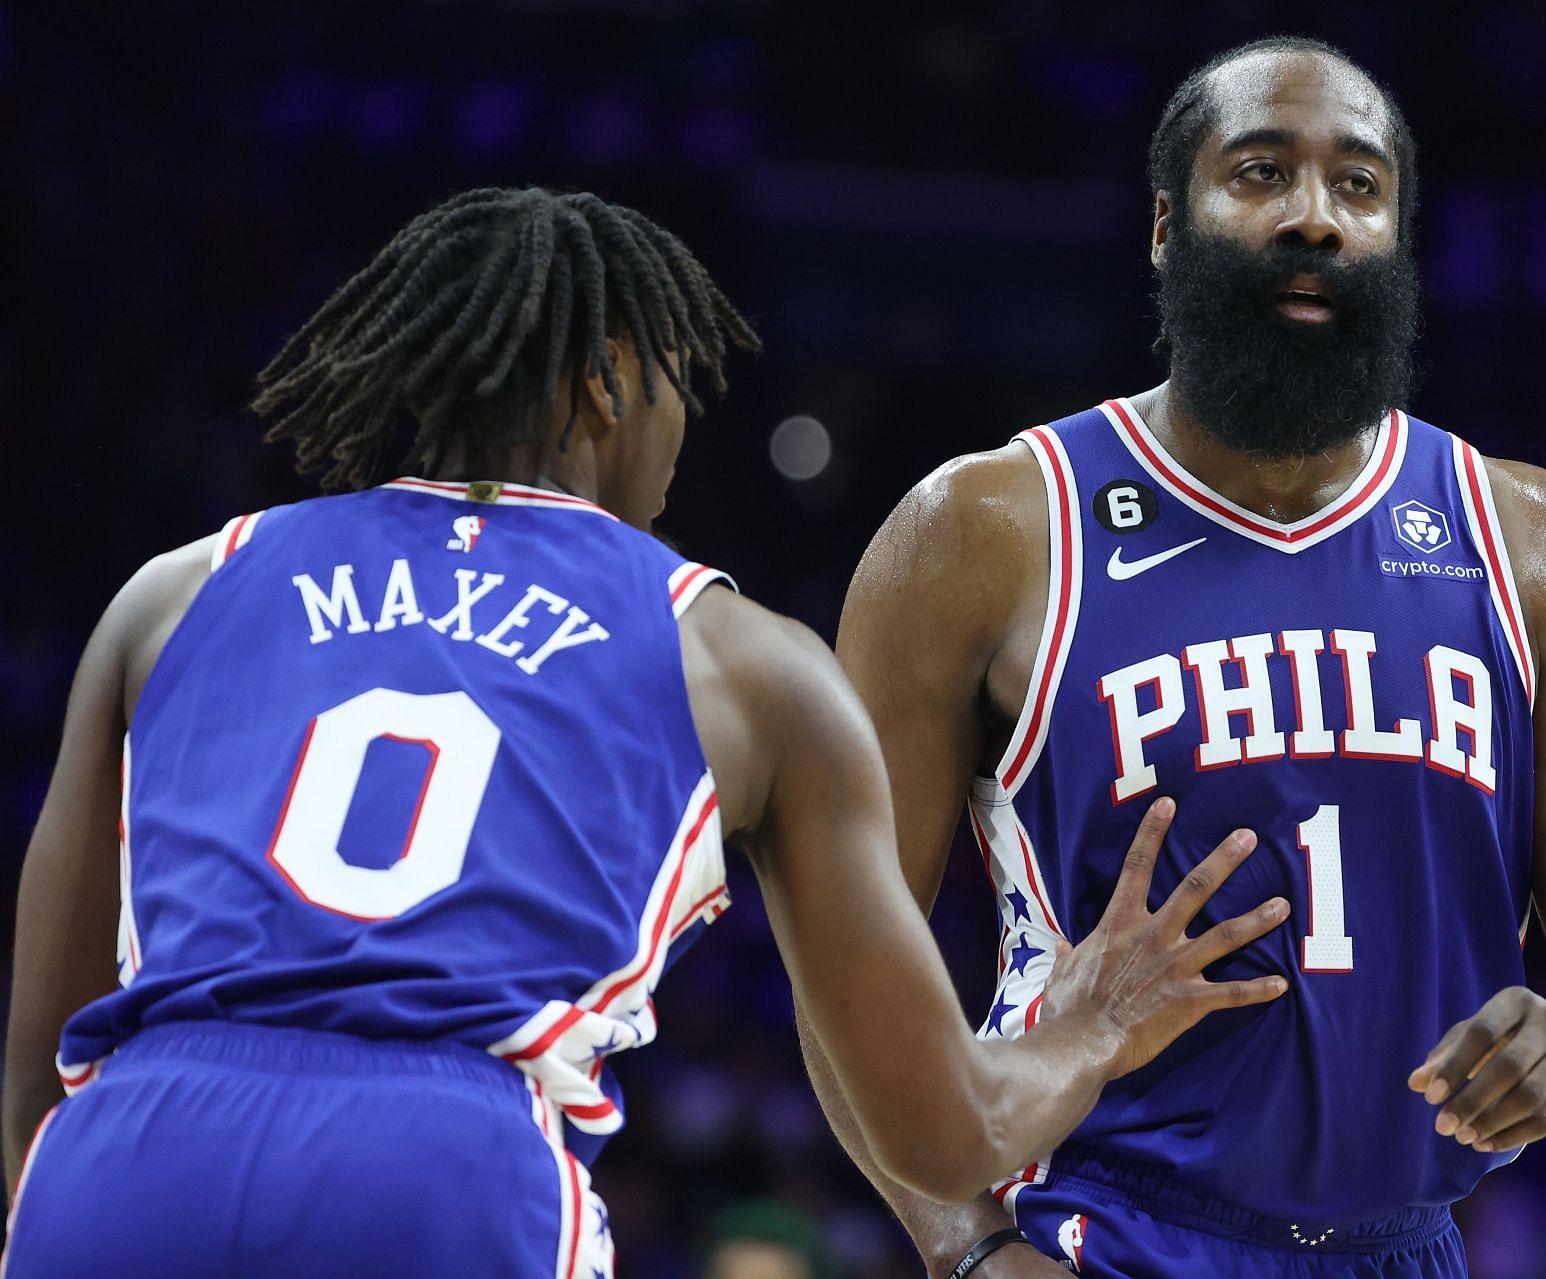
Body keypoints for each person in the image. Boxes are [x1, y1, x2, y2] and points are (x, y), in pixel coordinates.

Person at [0, 187, 1292, 1277]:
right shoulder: (739, 657)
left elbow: (38, 1056)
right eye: (680, 378)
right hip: (444, 1160)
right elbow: (944, 1134)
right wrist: (1091, 1023)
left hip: (119, 1150)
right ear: (609, 384)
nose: (683, 426)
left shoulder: (177, 589)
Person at [800, 36, 1546, 1279]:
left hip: (1410, 1244)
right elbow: (845, 956)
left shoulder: (1530, 539)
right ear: (1169, 224)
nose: (1315, 219)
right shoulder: (990, 529)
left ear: (1398, 237)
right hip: (1095, 1222)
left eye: (1360, 187)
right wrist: (967, 1250)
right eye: (1262, 173)